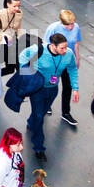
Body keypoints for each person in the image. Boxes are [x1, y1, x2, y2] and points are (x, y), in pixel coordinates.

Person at [22, 33, 79, 163]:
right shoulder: (38, 50)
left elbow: (72, 69)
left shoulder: (68, 54)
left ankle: (31, 122)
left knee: (39, 114)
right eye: (62, 48)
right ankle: (39, 148)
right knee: (39, 117)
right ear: (53, 46)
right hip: (38, 89)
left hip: (53, 89)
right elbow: (22, 57)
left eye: (66, 47)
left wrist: (75, 88)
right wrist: (27, 74)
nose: (65, 50)